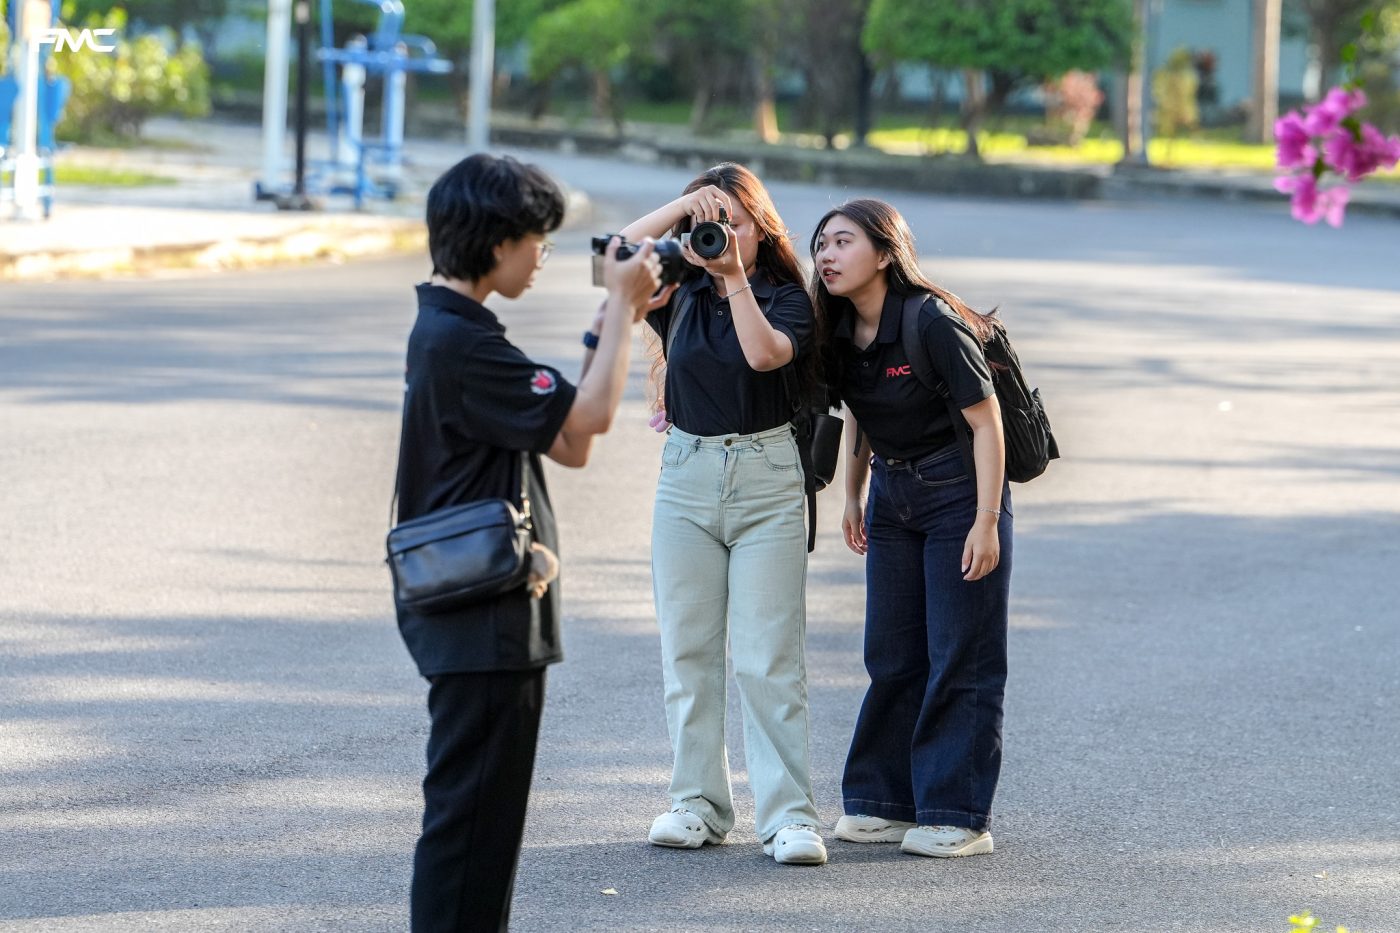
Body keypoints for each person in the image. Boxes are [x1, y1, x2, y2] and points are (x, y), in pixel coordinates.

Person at [394, 153, 672, 932]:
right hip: (482, 614)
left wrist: (611, 326)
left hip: (475, 609)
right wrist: (622, 306)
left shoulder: (451, 331)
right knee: (470, 825)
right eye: (535, 239)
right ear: (497, 244)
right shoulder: (463, 343)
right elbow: (592, 419)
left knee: (481, 825)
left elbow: (569, 440)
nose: (543, 255)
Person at [619, 163, 826, 865]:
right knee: (688, 651)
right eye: (706, 225)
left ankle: (789, 816)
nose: (718, 235)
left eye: (732, 223)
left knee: (769, 658)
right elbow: (611, 257)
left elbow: (765, 356)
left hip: (767, 478)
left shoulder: (787, 296)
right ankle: (697, 804)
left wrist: (733, 274)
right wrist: (679, 209)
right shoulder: (674, 289)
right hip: (686, 474)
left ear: (761, 230)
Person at [809, 198, 1013, 859]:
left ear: (884, 253)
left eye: (843, 241)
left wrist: (986, 520)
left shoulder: (931, 321)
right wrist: (852, 495)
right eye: (821, 244)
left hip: (960, 493)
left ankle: (958, 813)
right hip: (891, 495)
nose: (827, 255)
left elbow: (986, 422)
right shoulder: (839, 330)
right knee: (893, 654)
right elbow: (861, 414)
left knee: (960, 653)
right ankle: (884, 801)